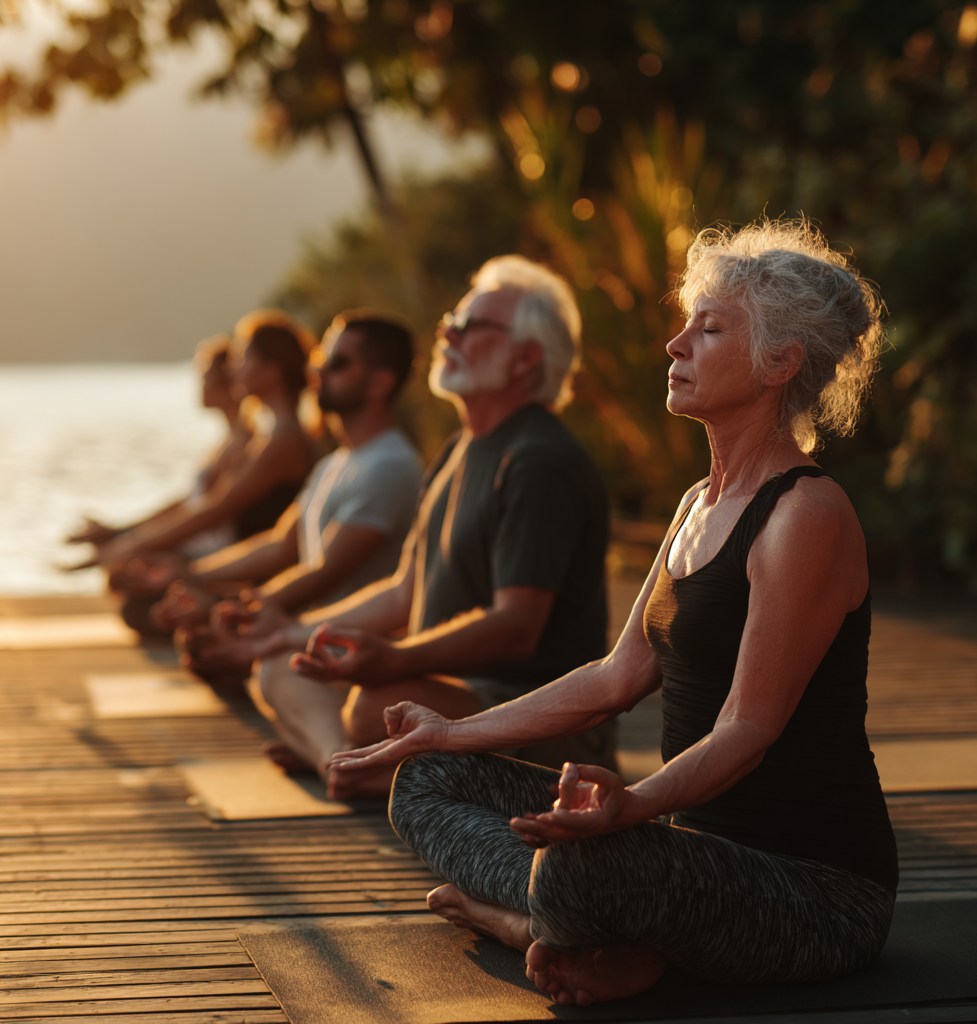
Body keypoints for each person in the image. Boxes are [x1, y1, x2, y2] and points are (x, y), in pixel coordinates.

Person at [326, 219, 898, 1005]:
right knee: (427, 781)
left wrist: (633, 806)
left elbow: (747, 729)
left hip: (812, 892)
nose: (675, 345)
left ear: (780, 362)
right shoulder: (697, 504)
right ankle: (603, 934)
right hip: (682, 855)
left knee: (580, 866)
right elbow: (614, 678)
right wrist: (447, 732)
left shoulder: (806, 515)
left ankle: (530, 923)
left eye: (709, 330)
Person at [197, 255, 614, 796]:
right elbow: (403, 592)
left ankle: (353, 762)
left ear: (525, 358)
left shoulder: (539, 460)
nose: (449, 334)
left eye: (471, 326)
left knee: (375, 705)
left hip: (533, 717)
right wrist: (289, 632)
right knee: (282, 664)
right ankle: (350, 764)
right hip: (442, 695)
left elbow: (516, 624)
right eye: (451, 322)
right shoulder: (457, 451)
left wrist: (396, 659)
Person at [152, 312, 422, 640]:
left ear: (380, 383)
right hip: (312, 636)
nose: (318, 370)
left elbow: (324, 573)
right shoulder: (335, 462)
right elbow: (280, 545)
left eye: (336, 362)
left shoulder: (388, 466)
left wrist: (226, 609)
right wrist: (190, 577)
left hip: (349, 646)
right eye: (320, 358)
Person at [100, 310, 319, 621]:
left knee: (141, 608)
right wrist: (127, 538)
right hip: (240, 563)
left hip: (258, 574)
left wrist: (130, 545)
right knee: (138, 600)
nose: (234, 368)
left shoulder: (284, 440)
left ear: (272, 370)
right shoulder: (271, 435)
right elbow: (204, 504)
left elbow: (216, 509)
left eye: (243, 358)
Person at [66, 335, 252, 563]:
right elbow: (188, 503)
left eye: (206, 375)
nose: (199, 383)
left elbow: (208, 512)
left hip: (212, 550)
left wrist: (129, 545)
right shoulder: (226, 440)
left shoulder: (243, 443)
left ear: (227, 380)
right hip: (197, 541)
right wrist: (120, 532)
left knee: (122, 566)